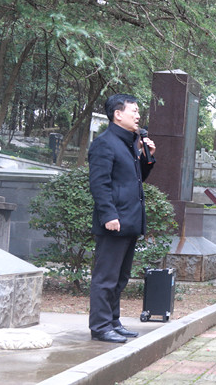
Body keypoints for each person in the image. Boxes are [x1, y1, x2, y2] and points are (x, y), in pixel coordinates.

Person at [88, 94, 157, 343]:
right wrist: (108, 215)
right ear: (118, 114)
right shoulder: (105, 143)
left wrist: (147, 158)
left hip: (129, 221)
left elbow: (133, 181)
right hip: (114, 222)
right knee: (105, 278)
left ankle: (113, 321)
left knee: (120, 277)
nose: (138, 116)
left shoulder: (129, 144)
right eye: (133, 111)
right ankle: (100, 326)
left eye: (138, 112)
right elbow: (100, 183)